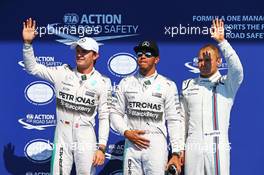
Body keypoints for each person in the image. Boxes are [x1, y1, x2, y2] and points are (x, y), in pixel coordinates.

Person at [22, 18, 112, 175]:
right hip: (62, 136)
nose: (79, 54)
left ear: (95, 55)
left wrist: (102, 148)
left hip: (86, 137)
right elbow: (32, 68)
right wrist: (28, 45)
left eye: (84, 51)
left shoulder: (103, 82)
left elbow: (104, 117)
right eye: (78, 50)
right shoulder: (62, 73)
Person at [110, 40, 185, 175]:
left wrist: (176, 152)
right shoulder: (126, 82)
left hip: (156, 145)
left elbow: (174, 121)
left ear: (156, 59)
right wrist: (126, 132)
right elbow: (115, 113)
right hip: (132, 143)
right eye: (139, 54)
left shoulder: (167, 85)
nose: (142, 56)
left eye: (148, 54)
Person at [181, 19, 244, 175]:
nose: (203, 63)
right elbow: (182, 119)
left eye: (208, 59)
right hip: (192, 145)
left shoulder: (227, 84)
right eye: (200, 60)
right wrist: (179, 149)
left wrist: (222, 42)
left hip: (216, 145)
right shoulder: (188, 85)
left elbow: (237, 71)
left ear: (219, 61)